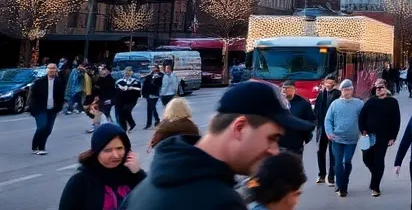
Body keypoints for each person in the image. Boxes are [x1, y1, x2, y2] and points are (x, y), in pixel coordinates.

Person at [122, 80, 313, 210]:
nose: (274, 151)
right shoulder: (220, 202)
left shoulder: (147, 186)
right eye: (272, 138)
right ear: (239, 127)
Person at [58, 123, 146, 210]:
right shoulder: (81, 180)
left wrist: (138, 174)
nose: (115, 155)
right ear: (97, 152)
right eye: (108, 150)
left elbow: (153, 200)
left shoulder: (132, 173)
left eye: (119, 148)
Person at [360, 77, 402, 197]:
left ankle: (375, 186)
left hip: (383, 137)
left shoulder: (392, 102)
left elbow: (396, 120)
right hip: (369, 136)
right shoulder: (370, 101)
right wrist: (362, 129)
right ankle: (375, 175)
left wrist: (393, 136)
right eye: (376, 87)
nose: (378, 89)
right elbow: (362, 117)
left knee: (379, 160)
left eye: (381, 87)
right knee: (366, 158)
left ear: (386, 88)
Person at [323, 79, 364, 198]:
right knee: (338, 163)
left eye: (350, 89)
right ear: (341, 90)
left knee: (347, 161)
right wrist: (329, 132)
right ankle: (341, 186)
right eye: (345, 89)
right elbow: (328, 120)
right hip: (337, 138)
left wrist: (364, 130)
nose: (348, 91)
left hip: (352, 139)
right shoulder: (335, 104)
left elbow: (364, 118)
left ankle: (343, 183)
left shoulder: (358, 104)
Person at [30, 61, 67, 154]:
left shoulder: (59, 82)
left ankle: (41, 147)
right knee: (42, 126)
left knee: (48, 129)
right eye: (50, 69)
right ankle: (37, 147)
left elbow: (61, 97)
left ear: (56, 70)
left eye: (53, 69)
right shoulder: (39, 82)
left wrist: (59, 107)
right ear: (47, 70)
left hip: (52, 109)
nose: (51, 71)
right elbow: (33, 97)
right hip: (40, 108)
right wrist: (32, 109)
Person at [313, 74, 340, 186]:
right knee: (320, 151)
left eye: (330, 83)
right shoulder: (321, 94)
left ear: (334, 84)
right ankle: (322, 174)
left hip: (333, 128)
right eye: (326, 82)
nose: (328, 85)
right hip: (322, 127)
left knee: (332, 152)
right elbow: (317, 110)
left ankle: (331, 176)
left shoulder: (337, 95)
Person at [278, 82, 315, 155]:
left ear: (294, 89)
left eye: (287, 88)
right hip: (279, 143)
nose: (284, 90)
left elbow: (310, 122)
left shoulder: (303, 103)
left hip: (295, 143)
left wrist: (306, 138)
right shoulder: (277, 103)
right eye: (283, 88)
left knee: (294, 164)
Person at [115, 67, 142, 132]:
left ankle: (131, 124)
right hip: (121, 101)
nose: (127, 73)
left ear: (131, 72)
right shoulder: (119, 81)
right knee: (121, 115)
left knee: (126, 111)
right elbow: (116, 91)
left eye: (129, 71)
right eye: (126, 71)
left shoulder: (135, 81)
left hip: (131, 101)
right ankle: (124, 128)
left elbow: (139, 90)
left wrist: (131, 88)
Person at [142, 63, 164, 129]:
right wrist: (144, 94)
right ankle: (151, 122)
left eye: (155, 68)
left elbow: (161, 85)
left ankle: (155, 120)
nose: (154, 69)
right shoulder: (149, 76)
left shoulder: (161, 76)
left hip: (156, 94)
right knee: (150, 108)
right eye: (153, 68)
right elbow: (145, 85)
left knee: (152, 107)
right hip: (149, 94)